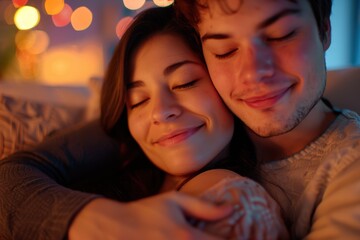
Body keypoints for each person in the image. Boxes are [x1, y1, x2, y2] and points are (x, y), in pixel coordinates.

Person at [0, 6, 288, 240]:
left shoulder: (233, 202)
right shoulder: (119, 159)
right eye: (137, 100)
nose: (160, 112)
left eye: (184, 83)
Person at [173, 0, 360, 239]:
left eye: (280, 35)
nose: (253, 72)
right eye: (225, 50)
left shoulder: (352, 165)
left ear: (324, 30)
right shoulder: (198, 139)